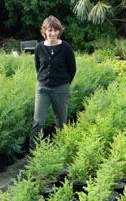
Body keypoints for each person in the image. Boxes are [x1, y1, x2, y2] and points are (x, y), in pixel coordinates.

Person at [29, 15, 77, 152]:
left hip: (60, 89)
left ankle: (61, 150)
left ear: (59, 31)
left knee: (61, 122)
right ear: (44, 31)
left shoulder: (66, 48)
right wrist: (44, 80)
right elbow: (39, 67)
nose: (53, 33)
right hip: (43, 89)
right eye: (49, 30)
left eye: (55, 30)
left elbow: (72, 69)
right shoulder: (39, 48)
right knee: (38, 121)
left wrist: (64, 84)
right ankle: (33, 152)